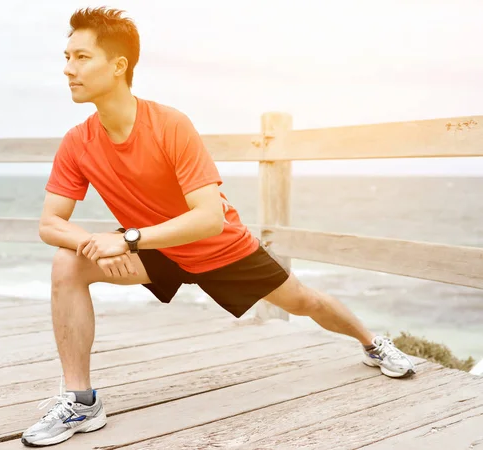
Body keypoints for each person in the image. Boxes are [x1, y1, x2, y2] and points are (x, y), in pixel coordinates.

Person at [21, 6, 416, 447]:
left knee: (303, 300)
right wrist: (96, 244)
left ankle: (372, 343)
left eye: (81, 58)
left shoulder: (170, 124)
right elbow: (51, 224)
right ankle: (81, 401)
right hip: (156, 250)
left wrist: (128, 240)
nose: (68, 69)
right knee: (67, 263)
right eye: (67, 57)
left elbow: (208, 217)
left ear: (119, 66)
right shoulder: (78, 142)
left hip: (217, 246)